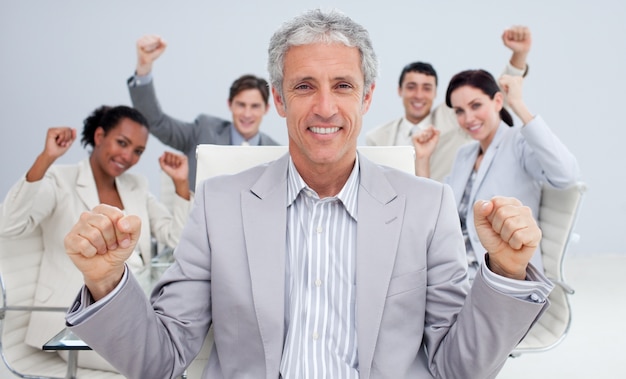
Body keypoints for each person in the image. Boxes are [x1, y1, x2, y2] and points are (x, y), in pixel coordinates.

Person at [63, 10, 554, 379]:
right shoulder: (218, 206)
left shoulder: (427, 206)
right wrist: (107, 283)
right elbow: (159, 361)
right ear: (279, 98)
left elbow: (458, 367)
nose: (325, 107)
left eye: (343, 85)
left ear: (366, 96)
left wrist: (507, 272)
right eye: (303, 86)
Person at [0, 105, 192, 371]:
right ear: (100, 136)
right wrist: (46, 157)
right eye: (122, 143)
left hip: (131, 311)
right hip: (73, 323)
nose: (127, 156)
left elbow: (177, 239)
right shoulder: (61, 180)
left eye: (137, 151)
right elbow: (9, 225)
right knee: (163, 364)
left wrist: (181, 184)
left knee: (184, 349)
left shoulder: (136, 185)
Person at [413, 69, 580, 279]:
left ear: (498, 101)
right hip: (456, 265)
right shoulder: (465, 155)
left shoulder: (518, 142)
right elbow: (436, 210)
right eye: (459, 111)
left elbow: (566, 174)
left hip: (499, 270)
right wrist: (423, 158)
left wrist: (518, 104)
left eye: (476, 105)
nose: (468, 118)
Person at [366, 26, 532, 182]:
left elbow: (498, 91)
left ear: (435, 93)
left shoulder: (455, 115)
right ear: (399, 90)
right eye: (411, 87)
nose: (418, 95)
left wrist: (519, 55)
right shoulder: (377, 137)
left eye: (426, 88)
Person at [128, 34, 280, 190]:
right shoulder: (203, 131)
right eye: (241, 105)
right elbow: (156, 122)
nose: (247, 114)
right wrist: (144, 67)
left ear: (266, 109)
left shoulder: (278, 154)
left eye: (255, 106)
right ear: (230, 105)